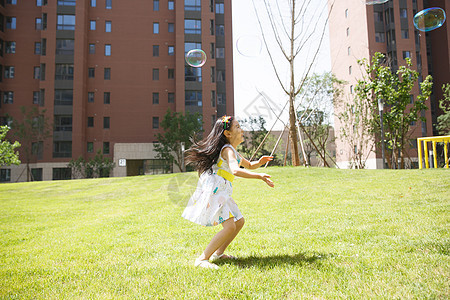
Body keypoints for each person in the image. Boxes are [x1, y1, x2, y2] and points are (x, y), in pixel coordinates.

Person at [182, 115, 274, 269]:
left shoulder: (232, 151)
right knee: (230, 226)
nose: (242, 130)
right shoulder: (227, 150)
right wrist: (260, 176)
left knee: (239, 221)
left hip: (223, 192)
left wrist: (259, 162)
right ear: (228, 134)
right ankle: (202, 259)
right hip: (217, 193)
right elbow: (236, 170)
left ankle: (218, 254)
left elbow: (249, 165)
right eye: (237, 127)